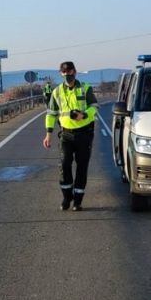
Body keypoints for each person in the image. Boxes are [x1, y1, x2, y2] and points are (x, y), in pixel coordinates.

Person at [43, 61, 98, 211]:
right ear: (61, 74)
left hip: (84, 134)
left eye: (70, 71)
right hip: (66, 134)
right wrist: (48, 134)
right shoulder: (57, 92)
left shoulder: (85, 88)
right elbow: (51, 114)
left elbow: (95, 107)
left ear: (75, 71)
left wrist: (84, 114)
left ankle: (78, 201)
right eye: (65, 72)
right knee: (64, 164)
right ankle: (67, 197)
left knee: (82, 167)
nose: (68, 74)